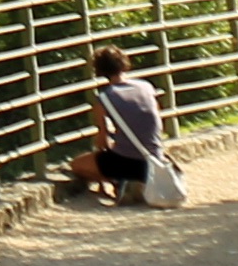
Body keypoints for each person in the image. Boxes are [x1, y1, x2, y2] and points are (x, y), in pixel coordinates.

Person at [65, 41, 171, 201]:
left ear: (99, 70)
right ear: (124, 63)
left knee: (77, 165)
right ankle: (135, 183)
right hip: (154, 158)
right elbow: (156, 121)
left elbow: (102, 141)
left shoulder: (104, 98)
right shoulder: (146, 87)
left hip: (125, 162)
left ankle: (119, 182)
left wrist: (111, 147)